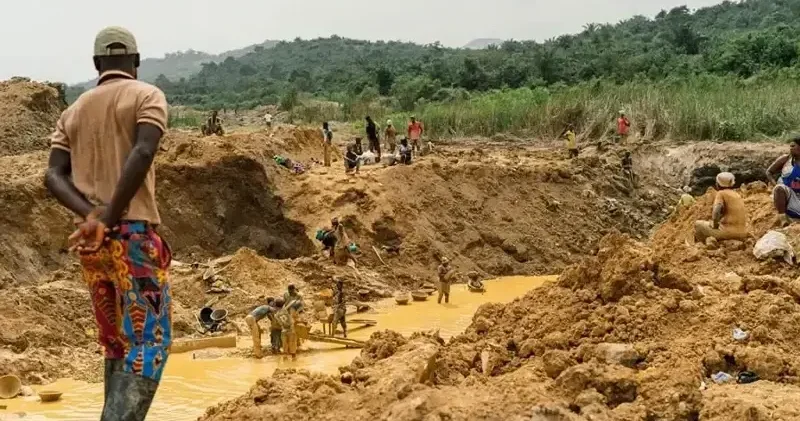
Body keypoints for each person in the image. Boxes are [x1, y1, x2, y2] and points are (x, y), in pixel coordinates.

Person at [44, 26, 171, 421]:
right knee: (148, 342)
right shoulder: (147, 96)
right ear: (135, 62)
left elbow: (53, 175)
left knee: (117, 343)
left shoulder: (74, 110)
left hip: (94, 244)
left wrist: (90, 216)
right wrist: (111, 215)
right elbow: (144, 149)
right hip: (132, 236)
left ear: (97, 64)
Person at [694, 172, 748, 243]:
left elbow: (716, 211)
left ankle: (701, 246)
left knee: (698, 224)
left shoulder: (721, 194)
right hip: (742, 232)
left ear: (718, 184)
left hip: (728, 232)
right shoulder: (737, 195)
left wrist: (715, 224)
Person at [766, 137, 800, 227]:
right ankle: (783, 220)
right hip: (788, 194)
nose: (791, 148)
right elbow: (769, 172)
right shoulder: (786, 159)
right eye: (790, 146)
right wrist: (775, 184)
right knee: (779, 188)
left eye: (793, 146)